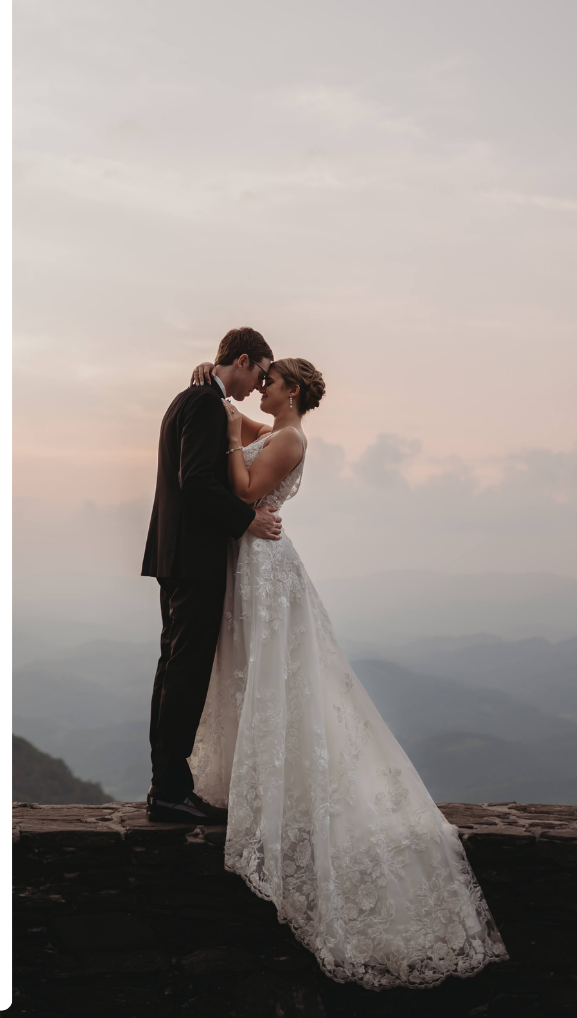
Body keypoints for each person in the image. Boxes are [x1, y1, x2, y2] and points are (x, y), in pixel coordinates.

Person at [185, 356, 509, 988]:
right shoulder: (270, 431)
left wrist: (229, 440)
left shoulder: (293, 438)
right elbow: (234, 414)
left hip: (266, 566)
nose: (265, 388)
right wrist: (214, 378)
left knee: (280, 680)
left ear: (294, 390)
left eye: (272, 381)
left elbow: (247, 494)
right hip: (248, 566)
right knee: (252, 675)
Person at [139, 326, 283, 826]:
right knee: (185, 674)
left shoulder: (194, 397)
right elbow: (196, 481)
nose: (258, 387)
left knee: (173, 669)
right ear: (242, 360)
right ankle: (170, 793)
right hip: (194, 560)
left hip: (175, 556)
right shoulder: (203, 403)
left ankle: (169, 787)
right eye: (260, 373)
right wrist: (248, 520)